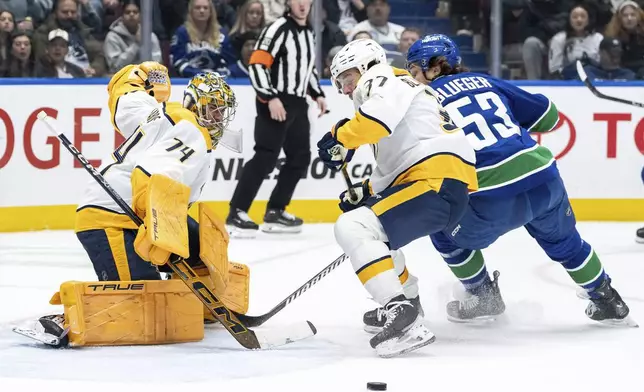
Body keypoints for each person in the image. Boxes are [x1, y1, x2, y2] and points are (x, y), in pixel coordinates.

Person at [361, 34, 635, 333]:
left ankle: (482, 296)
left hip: (488, 197)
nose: (413, 79)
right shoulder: (485, 81)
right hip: (542, 176)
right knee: (566, 243)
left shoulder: (420, 101)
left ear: (435, 67)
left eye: (414, 71)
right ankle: (609, 301)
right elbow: (549, 117)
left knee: (441, 222)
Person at [14, 62, 251, 347]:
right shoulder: (193, 132)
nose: (218, 117)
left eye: (222, 111)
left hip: (135, 209)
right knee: (144, 306)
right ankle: (64, 320)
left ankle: (204, 305)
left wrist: (141, 74)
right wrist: (161, 232)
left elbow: (122, 96)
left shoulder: (157, 111)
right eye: (213, 108)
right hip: (110, 217)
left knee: (203, 245)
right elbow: (152, 175)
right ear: (195, 103)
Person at [317, 39, 478, 357]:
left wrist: (340, 135)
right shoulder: (402, 88)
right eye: (340, 84)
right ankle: (409, 303)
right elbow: (399, 162)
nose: (347, 89)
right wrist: (365, 192)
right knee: (377, 234)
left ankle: (400, 311)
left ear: (365, 65)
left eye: (347, 78)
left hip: (435, 181)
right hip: (440, 182)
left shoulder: (381, 78)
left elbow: (376, 122)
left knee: (352, 227)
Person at [226, 0, 326, 237]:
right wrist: (270, 97)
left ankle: (275, 210)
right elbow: (258, 65)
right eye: (297, 0)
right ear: (288, 3)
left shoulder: (308, 32)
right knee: (266, 156)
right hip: (276, 100)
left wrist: (317, 94)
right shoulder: (277, 28)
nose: (302, 5)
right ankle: (236, 212)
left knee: (300, 158)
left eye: (306, 0)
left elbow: (307, 69)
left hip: (298, 103)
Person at [103, 0, 162, 74]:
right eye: (127, 12)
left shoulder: (150, 36)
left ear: (141, 16)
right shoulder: (112, 37)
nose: (131, 15)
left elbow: (157, 64)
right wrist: (135, 45)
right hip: (122, 80)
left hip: (146, 79)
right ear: (122, 16)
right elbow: (115, 67)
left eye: (135, 12)